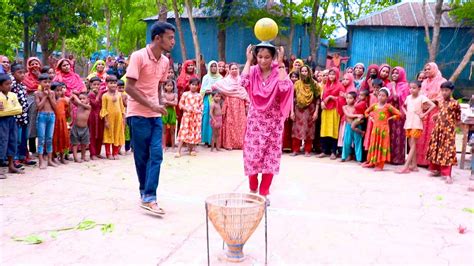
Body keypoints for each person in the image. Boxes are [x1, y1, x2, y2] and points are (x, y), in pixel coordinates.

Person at [125, 21, 175, 215]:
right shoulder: (138, 57)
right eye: (170, 38)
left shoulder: (165, 61)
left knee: (157, 154)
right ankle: (144, 193)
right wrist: (151, 104)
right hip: (137, 114)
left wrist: (159, 103)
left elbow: (159, 86)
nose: (173, 42)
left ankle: (149, 196)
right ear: (157, 38)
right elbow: (129, 87)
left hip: (155, 115)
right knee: (142, 156)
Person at [240, 43, 293, 204]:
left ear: (273, 58)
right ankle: (252, 189)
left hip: (274, 122)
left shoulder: (279, 72)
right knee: (252, 156)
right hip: (256, 120)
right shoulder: (253, 71)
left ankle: (263, 193)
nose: (263, 61)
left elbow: (284, 87)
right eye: (260, 57)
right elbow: (242, 82)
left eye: (267, 57)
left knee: (270, 158)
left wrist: (282, 62)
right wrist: (248, 61)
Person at [397, 80, 435, 174]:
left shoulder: (422, 97)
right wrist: (406, 113)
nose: (411, 90)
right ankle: (414, 165)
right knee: (411, 144)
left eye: (414, 88)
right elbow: (403, 106)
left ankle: (406, 166)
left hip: (417, 123)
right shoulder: (408, 98)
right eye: (410, 88)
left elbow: (433, 105)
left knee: (413, 144)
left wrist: (424, 114)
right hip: (408, 123)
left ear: (419, 88)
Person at [426, 81, 460, 184]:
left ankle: (447, 174)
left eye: (446, 90)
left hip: (448, 131)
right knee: (436, 148)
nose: (444, 92)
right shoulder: (440, 102)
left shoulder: (455, 103)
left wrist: (452, 128)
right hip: (438, 129)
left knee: (447, 151)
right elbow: (441, 111)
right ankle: (436, 169)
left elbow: (457, 118)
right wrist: (436, 115)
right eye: (443, 90)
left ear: (451, 91)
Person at [362, 87, 401, 171]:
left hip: (384, 129)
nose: (380, 97)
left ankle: (380, 165)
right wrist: (370, 118)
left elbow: (399, 114)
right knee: (374, 144)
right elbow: (366, 112)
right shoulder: (374, 106)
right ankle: (372, 162)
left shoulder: (388, 106)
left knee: (382, 145)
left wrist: (390, 118)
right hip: (375, 129)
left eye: (383, 96)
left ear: (387, 97)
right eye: (379, 95)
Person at [212, 63, 249, 150]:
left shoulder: (241, 80)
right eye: (232, 69)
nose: (234, 70)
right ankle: (229, 144)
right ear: (229, 70)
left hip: (240, 105)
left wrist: (247, 104)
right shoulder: (226, 80)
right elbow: (214, 86)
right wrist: (224, 95)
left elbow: (246, 93)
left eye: (236, 68)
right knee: (230, 123)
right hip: (230, 104)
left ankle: (240, 144)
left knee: (241, 123)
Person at [416, 62, 446, 167]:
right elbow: (420, 95)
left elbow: (441, 97)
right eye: (425, 69)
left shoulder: (442, 81)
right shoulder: (424, 82)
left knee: (432, 136)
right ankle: (420, 161)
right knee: (421, 135)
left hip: (434, 112)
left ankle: (431, 162)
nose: (427, 71)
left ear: (434, 69)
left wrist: (429, 101)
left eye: (429, 69)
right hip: (424, 112)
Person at [290, 65, 320, 157]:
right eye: (302, 71)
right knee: (296, 130)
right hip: (298, 110)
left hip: (311, 110)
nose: (304, 73)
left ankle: (307, 150)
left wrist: (316, 112)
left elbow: (318, 98)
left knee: (309, 130)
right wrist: (292, 111)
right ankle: (296, 150)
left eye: (305, 71)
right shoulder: (297, 84)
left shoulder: (314, 84)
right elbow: (292, 98)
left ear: (309, 72)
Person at [10, 64, 36, 166]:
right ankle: (15, 159)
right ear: (13, 74)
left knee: (24, 137)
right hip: (15, 117)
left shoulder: (22, 85)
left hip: (24, 116)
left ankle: (23, 156)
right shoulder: (11, 85)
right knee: (17, 138)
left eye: (23, 73)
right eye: (19, 73)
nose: (22, 75)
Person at [0, 74, 23, 178]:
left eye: (10, 84)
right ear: (0, 86)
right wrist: (11, 110)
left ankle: (11, 165)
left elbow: (19, 109)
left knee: (12, 141)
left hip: (12, 120)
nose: (9, 86)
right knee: (2, 142)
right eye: (6, 84)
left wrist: (5, 111)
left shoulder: (13, 95)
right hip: (2, 121)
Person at [319, 67, 343, 160]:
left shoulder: (340, 86)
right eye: (330, 74)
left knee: (333, 130)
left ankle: (333, 151)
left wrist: (331, 97)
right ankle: (324, 151)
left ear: (337, 75)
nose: (331, 76)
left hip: (334, 110)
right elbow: (322, 97)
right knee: (325, 130)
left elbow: (342, 98)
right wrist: (322, 102)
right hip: (325, 110)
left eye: (333, 74)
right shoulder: (326, 85)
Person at [388, 66, 410, 165]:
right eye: (393, 73)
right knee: (389, 135)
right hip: (389, 114)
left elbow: (398, 99)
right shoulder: (388, 85)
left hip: (399, 115)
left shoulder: (405, 86)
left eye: (397, 73)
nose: (394, 75)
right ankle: (388, 157)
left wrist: (393, 88)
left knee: (398, 136)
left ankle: (398, 158)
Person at [176, 78, 203, 157]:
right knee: (184, 132)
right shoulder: (185, 94)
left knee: (194, 132)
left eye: (196, 85)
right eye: (192, 84)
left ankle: (192, 149)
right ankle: (178, 151)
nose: (194, 86)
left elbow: (201, 106)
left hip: (196, 117)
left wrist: (198, 112)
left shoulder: (199, 95)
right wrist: (186, 108)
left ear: (198, 86)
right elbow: (180, 104)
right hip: (187, 116)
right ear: (189, 85)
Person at [35, 73, 57, 169]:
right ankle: (40, 161)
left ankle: (50, 160)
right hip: (42, 116)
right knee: (41, 139)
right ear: (40, 83)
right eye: (45, 82)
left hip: (51, 116)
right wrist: (45, 96)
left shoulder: (52, 93)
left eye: (49, 82)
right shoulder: (37, 93)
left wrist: (49, 97)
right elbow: (39, 107)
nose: (47, 84)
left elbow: (55, 107)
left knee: (49, 139)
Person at [101, 75, 125, 160]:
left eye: (115, 83)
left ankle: (115, 153)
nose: (113, 85)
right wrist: (106, 120)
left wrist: (123, 118)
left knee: (117, 134)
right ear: (107, 84)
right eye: (111, 83)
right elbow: (103, 109)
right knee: (109, 135)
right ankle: (108, 153)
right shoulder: (105, 96)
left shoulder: (119, 95)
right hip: (109, 119)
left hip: (118, 119)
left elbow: (122, 107)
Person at [200, 61, 222, 146]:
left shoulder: (220, 77)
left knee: (216, 118)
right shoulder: (206, 77)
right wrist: (206, 91)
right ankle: (206, 139)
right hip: (207, 100)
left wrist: (214, 91)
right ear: (209, 67)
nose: (213, 68)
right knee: (207, 118)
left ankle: (214, 141)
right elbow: (201, 90)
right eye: (212, 66)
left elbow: (221, 88)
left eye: (215, 66)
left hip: (216, 101)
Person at [23, 57, 42, 156]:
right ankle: (31, 149)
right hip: (29, 103)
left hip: (42, 103)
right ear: (28, 65)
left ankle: (41, 150)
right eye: (32, 64)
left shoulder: (42, 76)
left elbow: (44, 86)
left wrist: (39, 77)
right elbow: (27, 88)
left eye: (36, 63)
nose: (35, 66)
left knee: (40, 125)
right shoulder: (25, 76)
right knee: (31, 125)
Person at [341, 92, 364, 162]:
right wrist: (357, 115)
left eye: (350, 98)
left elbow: (362, 114)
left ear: (354, 99)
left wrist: (360, 116)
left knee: (358, 142)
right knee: (346, 142)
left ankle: (359, 159)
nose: (348, 100)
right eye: (347, 98)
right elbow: (348, 115)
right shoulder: (344, 107)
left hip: (357, 126)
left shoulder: (356, 106)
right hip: (348, 125)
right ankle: (344, 157)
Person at [51, 82, 70, 164]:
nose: (59, 92)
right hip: (54, 123)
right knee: (54, 139)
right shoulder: (51, 101)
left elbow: (68, 111)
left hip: (62, 122)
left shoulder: (63, 100)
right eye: (56, 90)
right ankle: (53, 157)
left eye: (60, 90)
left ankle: (62, 157)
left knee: (64, 138)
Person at [70, 93, 92, 163]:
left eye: (83, 98)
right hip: (76, 128)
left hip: (85, 129)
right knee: (75, 143)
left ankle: (83, 156)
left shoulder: (88, 107)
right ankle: (75, 157)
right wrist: (72, 97)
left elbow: (79, 103)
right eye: (80, 99)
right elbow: (72, 101)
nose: (81, 100)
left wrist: (76, 97)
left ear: (87, 100)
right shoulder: (79, 106)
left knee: (84, 144)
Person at [87, 77, 105, 159]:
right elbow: (94, 104)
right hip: (92, 116)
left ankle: (98, 152)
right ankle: (93, 154)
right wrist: (98, 94)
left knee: (100, 134)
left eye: (98, 84)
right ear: (90, 85)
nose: (96, 86)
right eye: (94, 84)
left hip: (100, 116)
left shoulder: (101, 93)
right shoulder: (90, 94)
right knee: (93, 134)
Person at [363, 78, 383, 152]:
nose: (375, 89)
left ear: (381, 88)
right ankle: (369, 153)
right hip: (370, 118)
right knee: (370, 134)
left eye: (378, 88)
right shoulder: (370, 95)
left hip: (378, 118)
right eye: (374, 87)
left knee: (377, 135)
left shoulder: (382, 97)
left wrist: (379, 96)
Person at [176, 60, 197, 128]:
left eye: (192, 65)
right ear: (185, 67)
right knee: (183, 118)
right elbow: (180, 88)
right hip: (184, 100)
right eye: (189, 66)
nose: (191, 67)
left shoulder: (195, 76)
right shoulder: (182, 77)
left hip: (193, 101)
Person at [282, 71, 299, 151]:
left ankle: (293, 147)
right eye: (292, 77)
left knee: (294, 128)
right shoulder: (287, 85)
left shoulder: (299, 86)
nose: (294, 79)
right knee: (285, 128)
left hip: (297, 109)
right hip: (286, 108)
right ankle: (284, 145)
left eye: (296, 77)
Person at [161, 79, 178, 151]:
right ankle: (164, 146)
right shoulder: (163, 94)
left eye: (171, 85)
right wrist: (171, 102)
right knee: (164, 130)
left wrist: (168, 102)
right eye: (168, 85)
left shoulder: (175, 94)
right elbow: (163, 102)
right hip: (164, 111)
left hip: (172, 112)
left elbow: (176, 103)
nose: (169, 87)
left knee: (172, 130)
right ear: (164, 86)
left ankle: (173, 146)